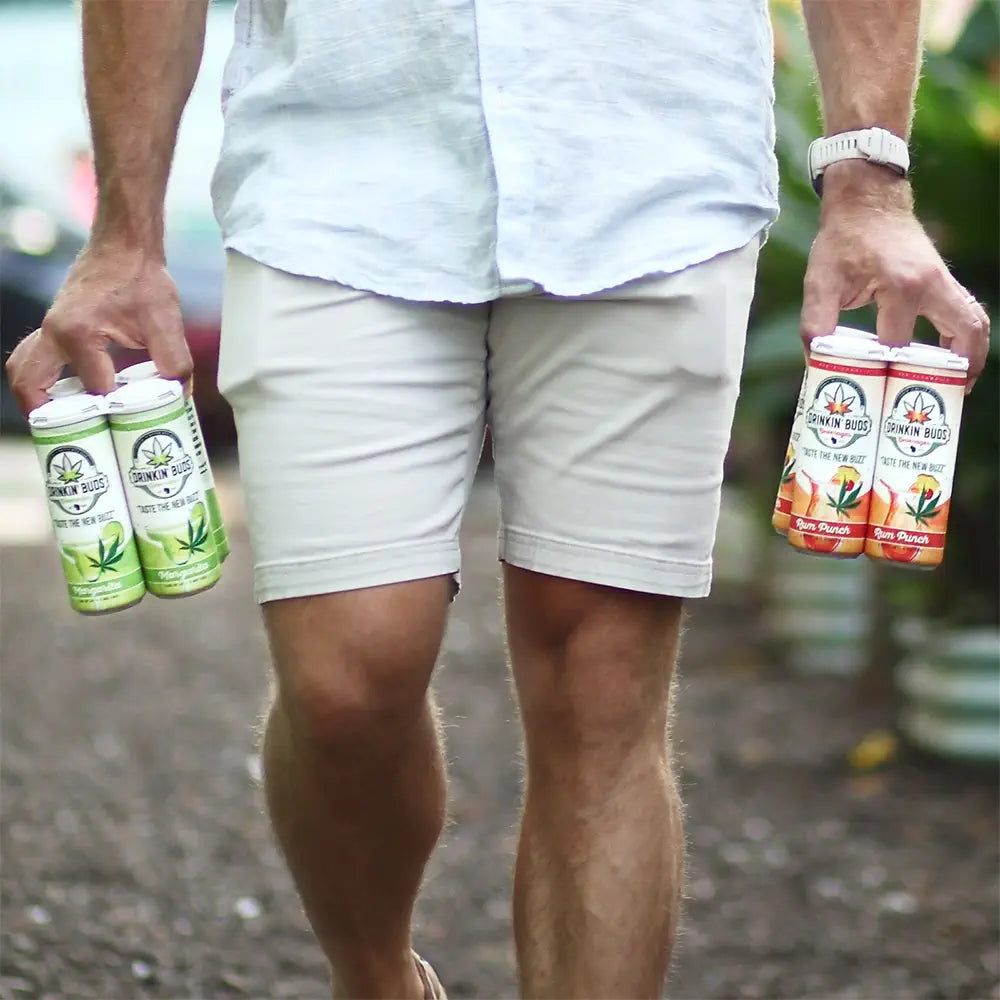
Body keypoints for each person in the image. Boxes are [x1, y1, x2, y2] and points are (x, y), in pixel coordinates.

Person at [7, 1, 990, 997]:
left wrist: (868, 181)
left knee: (601, 679)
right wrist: (124, 238)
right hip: (332, 170)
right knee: (345, 681)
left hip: (653, 169)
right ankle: (377, 975)